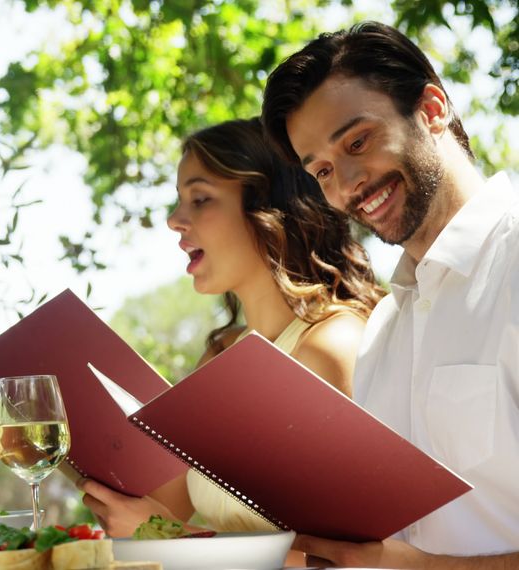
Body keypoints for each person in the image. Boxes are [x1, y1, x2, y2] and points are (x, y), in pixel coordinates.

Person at [259, 21, 519, 568]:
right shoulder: (383, 328)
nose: (348, 182)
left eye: (359, 141)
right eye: (323, 170)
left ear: (431, 109)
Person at [77, 119, 384, 548]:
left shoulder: (330, 348)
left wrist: (162, 535)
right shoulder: (220, 356)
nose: (173, 220)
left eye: (200, 199)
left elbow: (342, 559)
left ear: (269, 209)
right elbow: (166, 506)